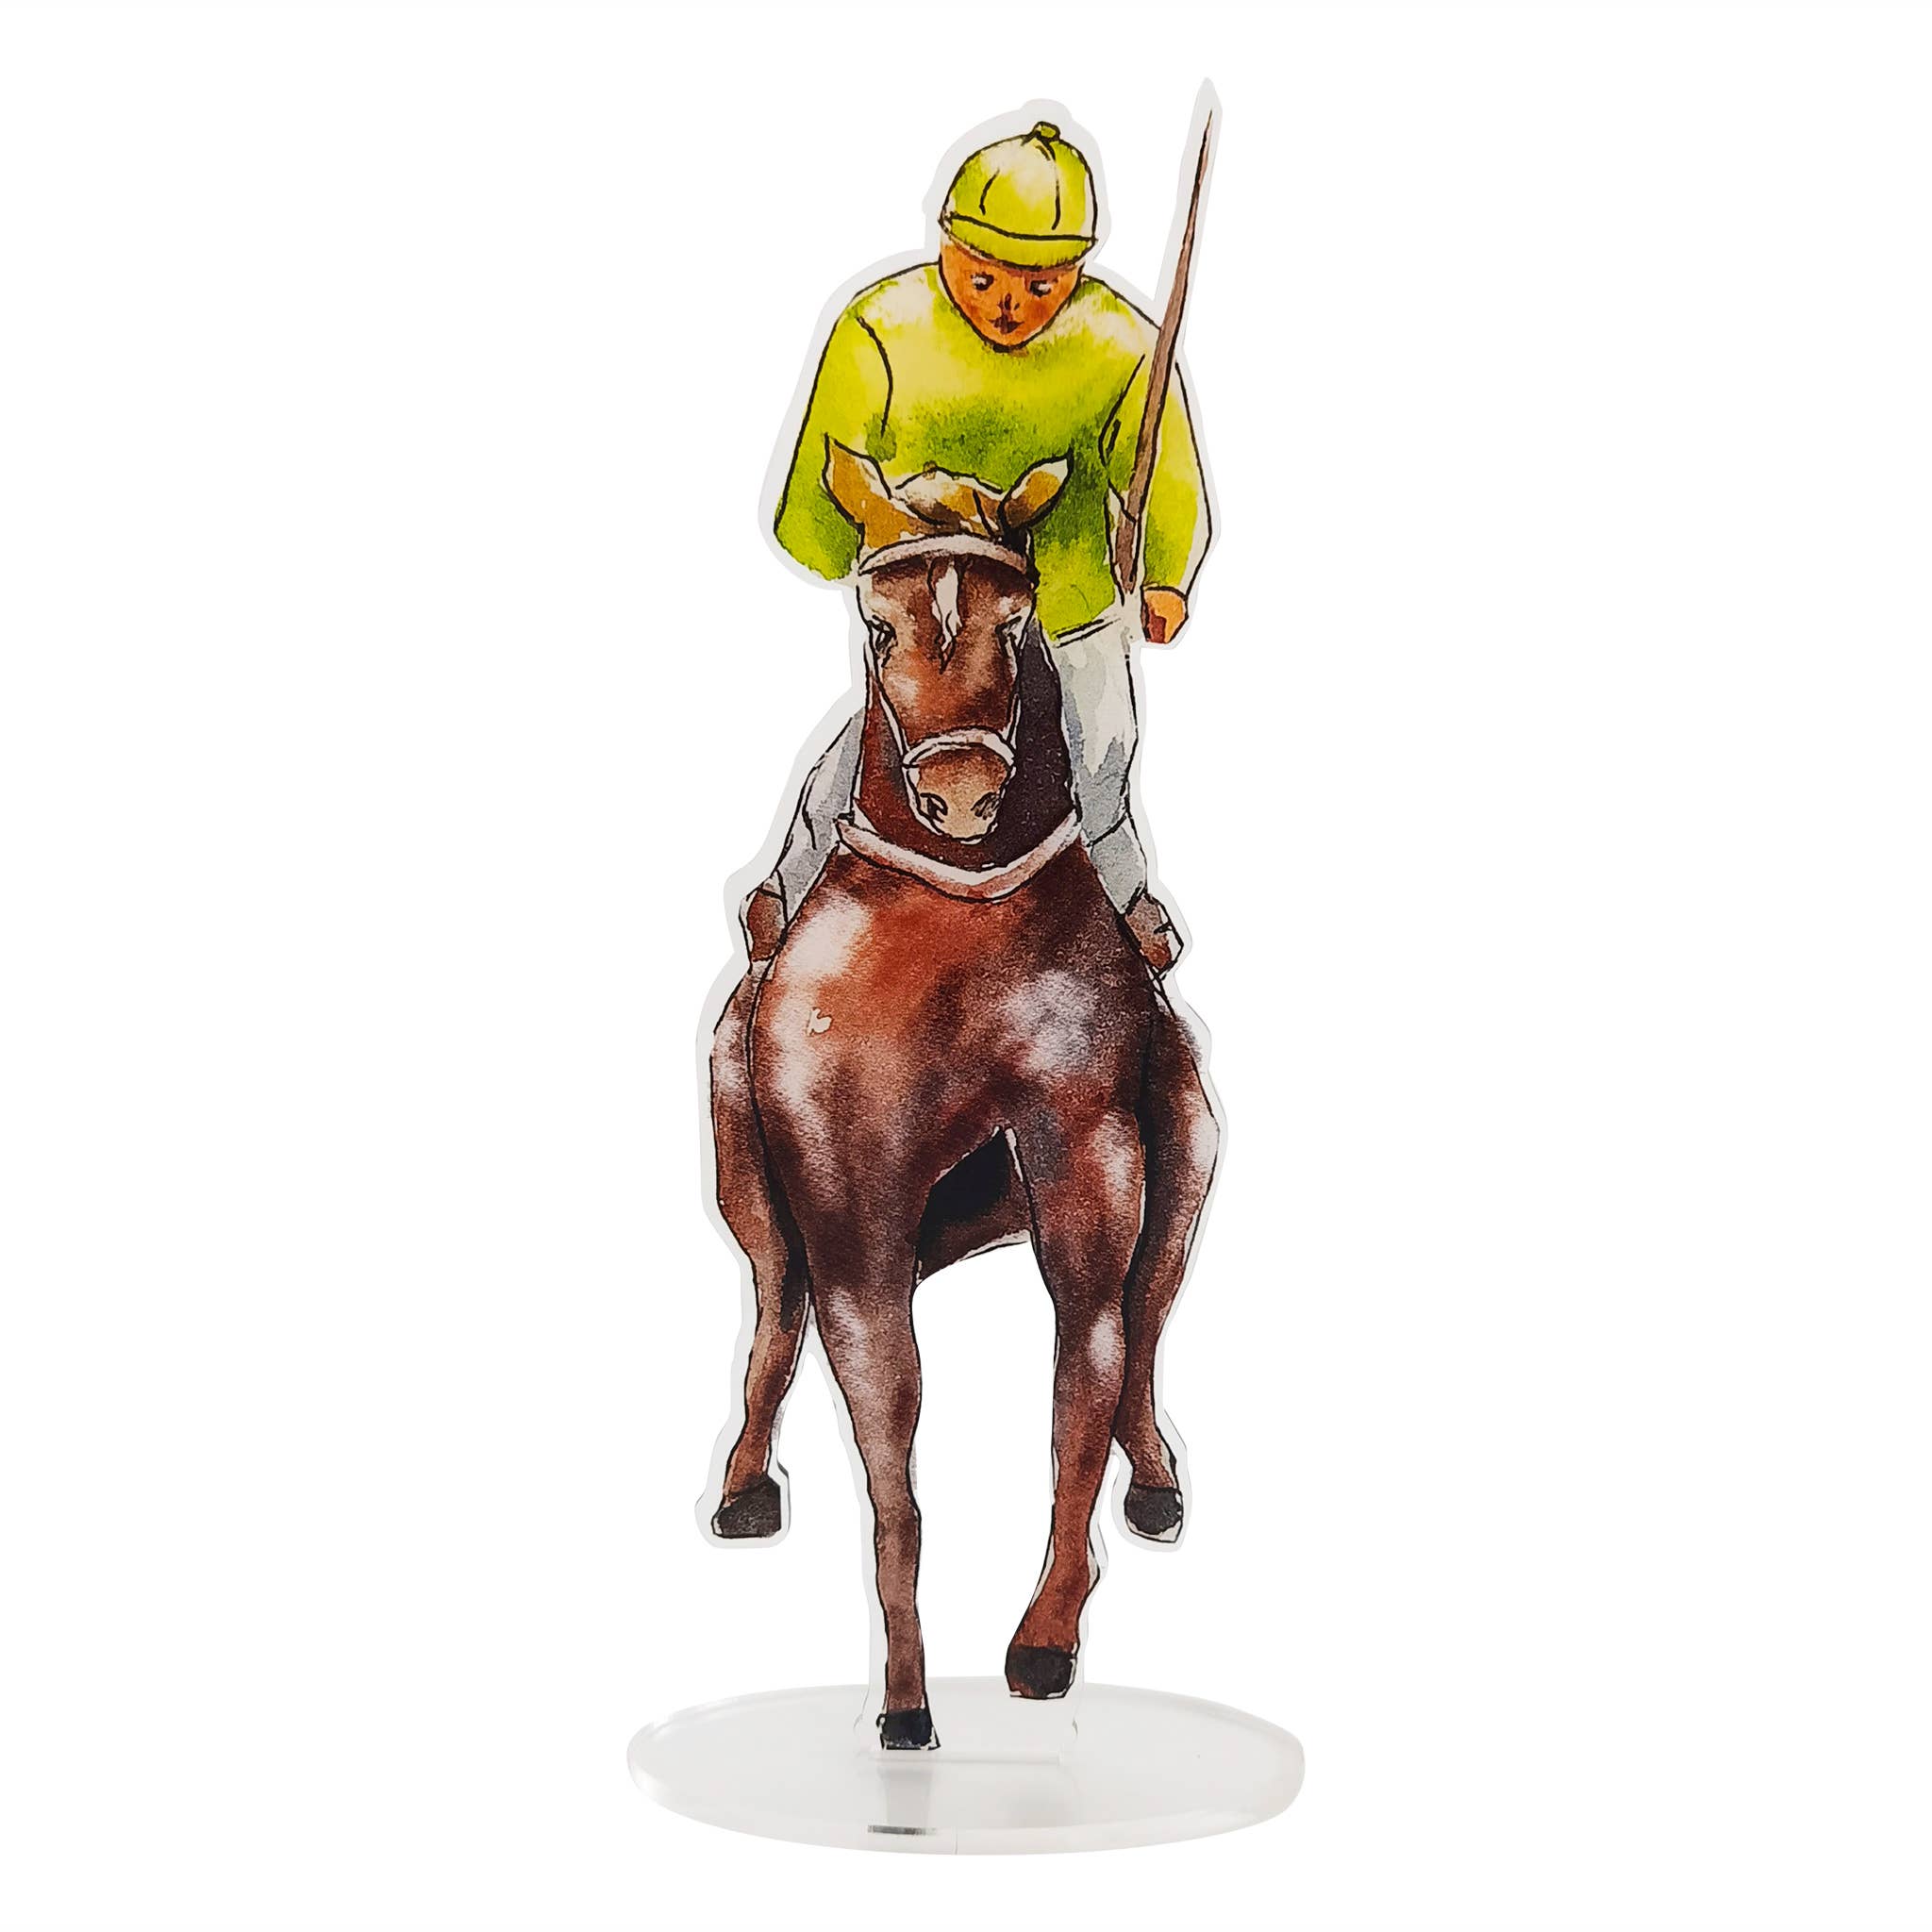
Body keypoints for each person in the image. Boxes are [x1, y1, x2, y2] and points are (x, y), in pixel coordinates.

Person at [751, 115, 1211, 973]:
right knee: (886, 729)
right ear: (947, 245)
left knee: (1101, 740)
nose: (1009, 303)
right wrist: (863, 536)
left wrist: (1168, 575)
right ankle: (794, 874)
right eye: (985, 274)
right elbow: (827, 473)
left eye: (1041, 284)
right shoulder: (877, 329)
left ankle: (1121, 889)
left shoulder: (1124, 349)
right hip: (923, 592)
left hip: (1068, 594)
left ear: (1078, 269)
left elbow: (1168, 466)